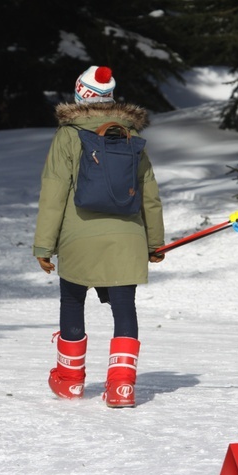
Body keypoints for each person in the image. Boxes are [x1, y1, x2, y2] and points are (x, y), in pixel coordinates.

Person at [33, 65, 165, 408]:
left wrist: (44, 245)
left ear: (80, 93)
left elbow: (54, 194)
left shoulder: (68, 135)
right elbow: (149, 194)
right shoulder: (131, 136)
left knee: (73, 301)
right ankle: (122, 386)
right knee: (124, 307)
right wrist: (154, 242)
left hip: (79, 237)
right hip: (128, 237)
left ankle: (70, 380)